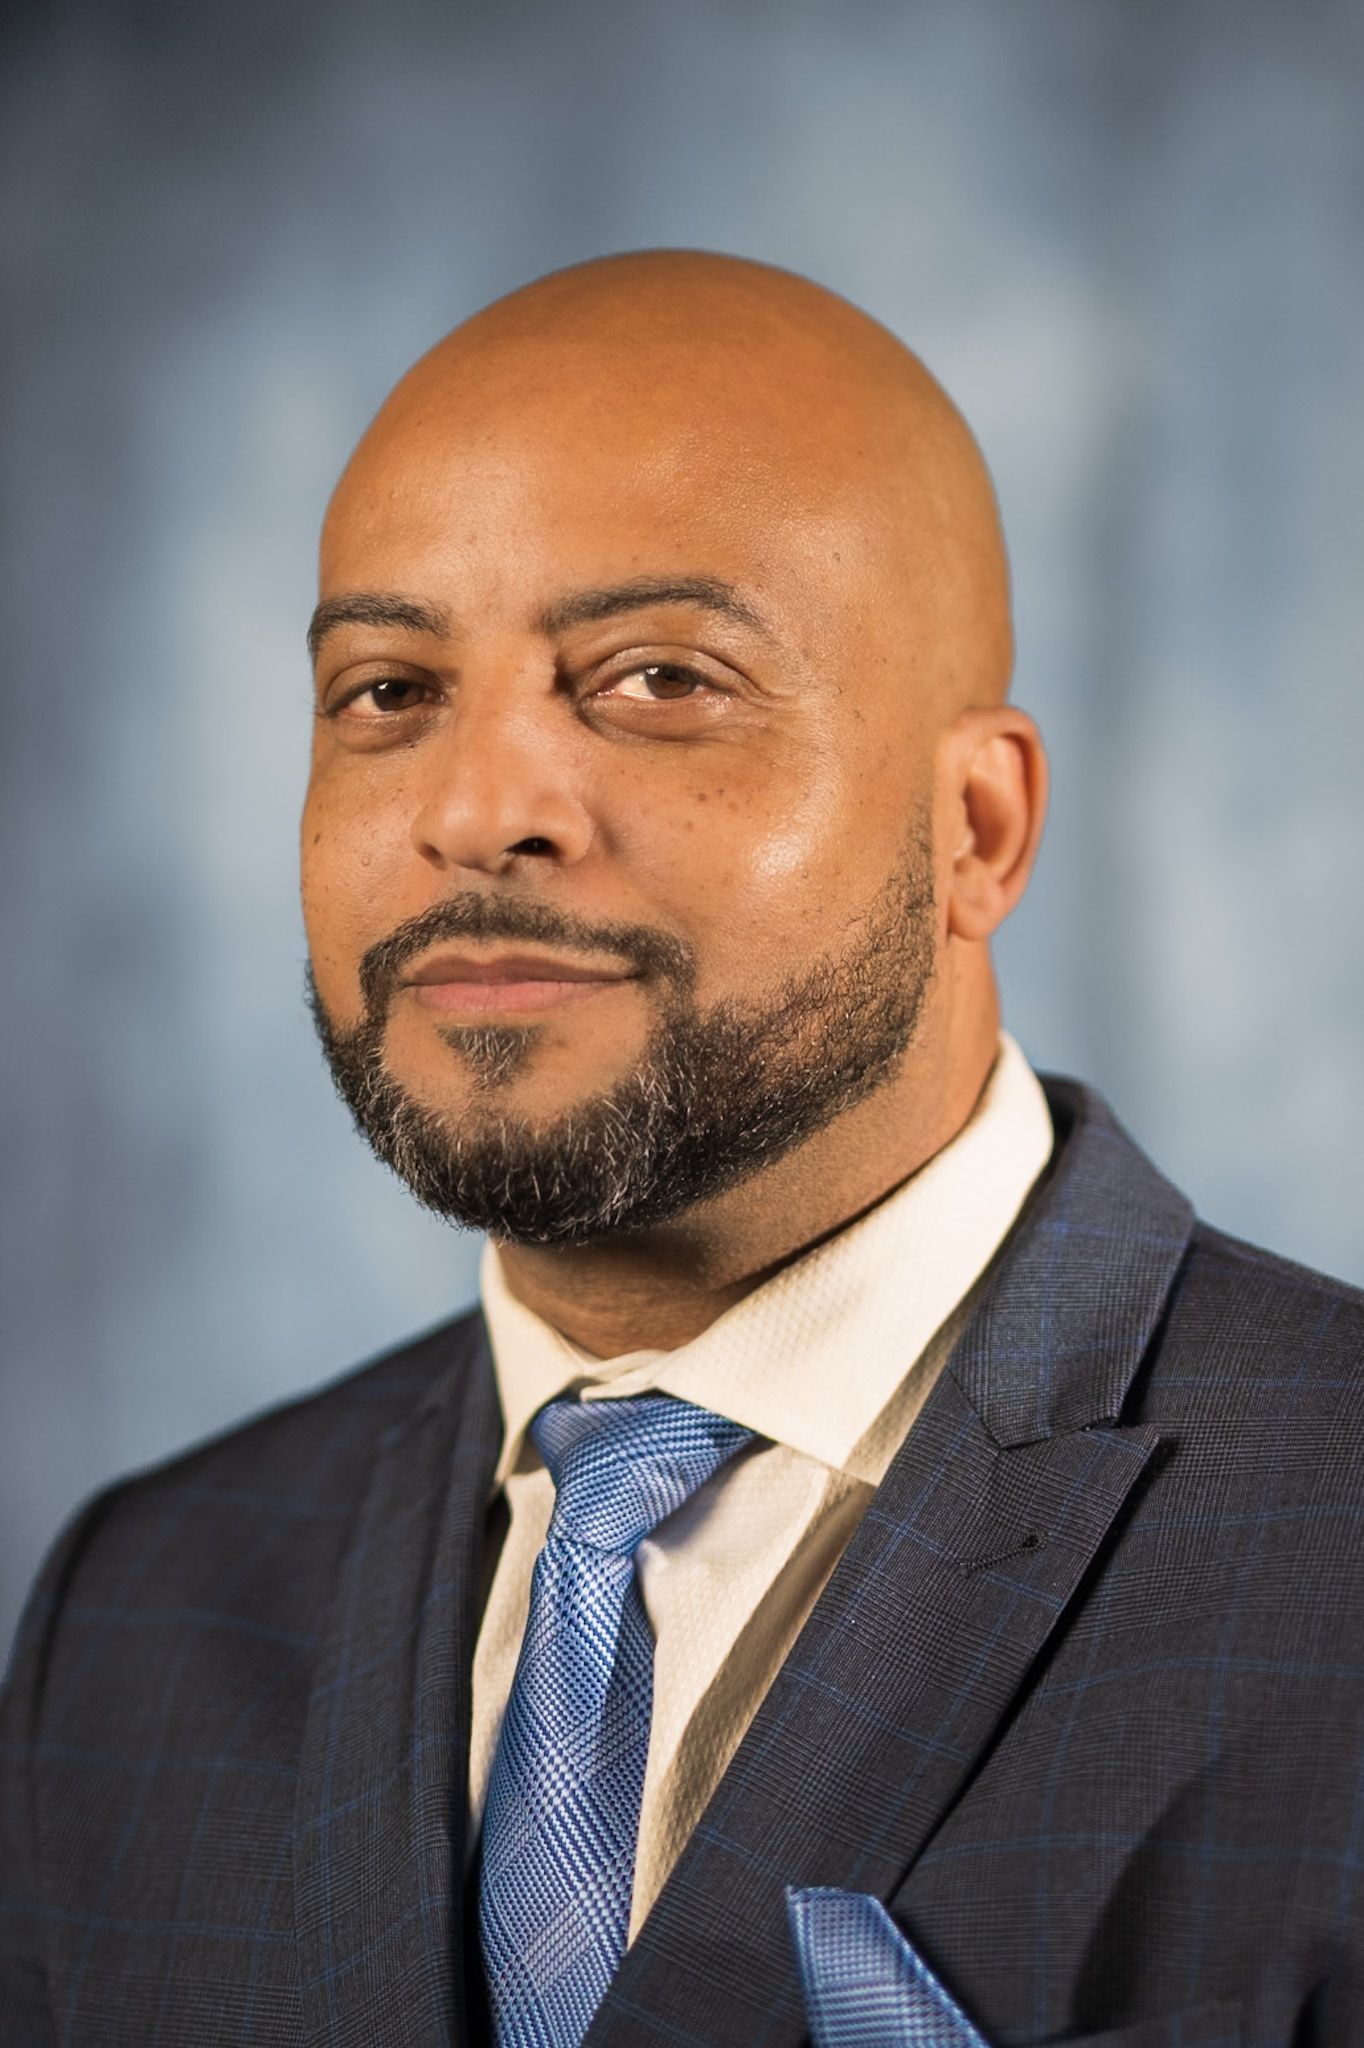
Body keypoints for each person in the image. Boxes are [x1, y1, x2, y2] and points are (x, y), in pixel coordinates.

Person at [1, 251, 1361, 2048]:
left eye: (655, 679)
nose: (479, 810)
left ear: (977, 828)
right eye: (390, 692)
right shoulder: (139, 1612)